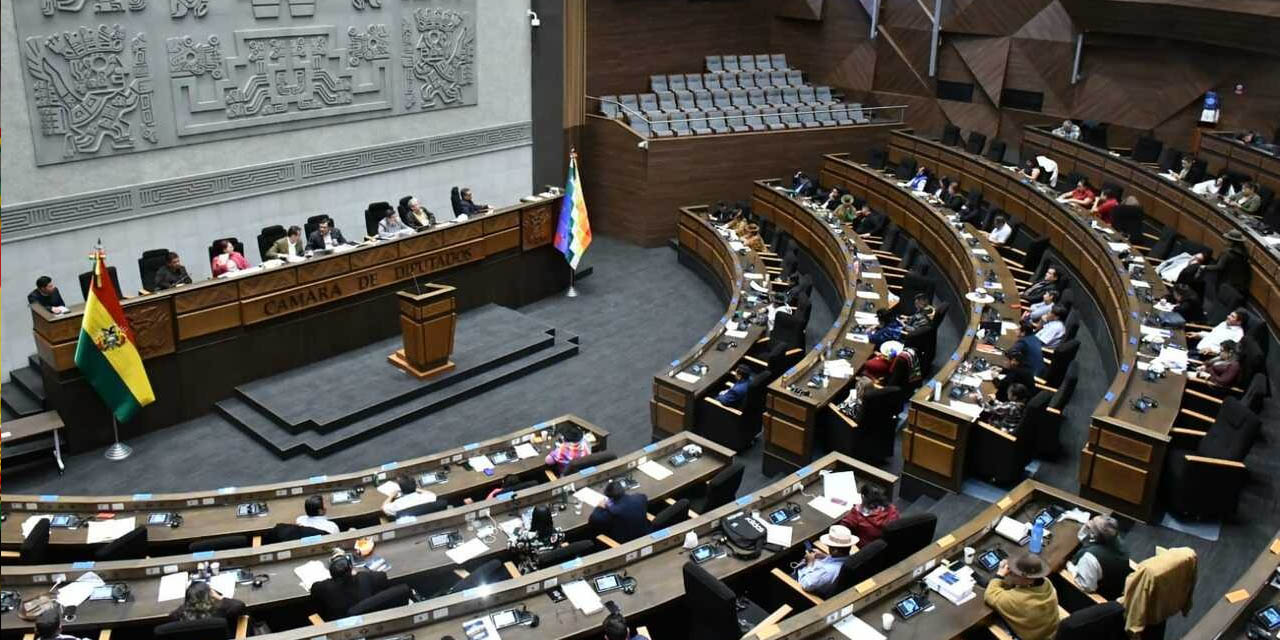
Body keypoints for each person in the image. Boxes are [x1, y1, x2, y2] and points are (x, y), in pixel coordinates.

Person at [985, 552, 1060, 640]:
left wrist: (1000, 574)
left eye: (1014, 573)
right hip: (1051, 632)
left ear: (1026, 579)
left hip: (1031, 637)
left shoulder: (1018, 599)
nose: (1010, 573)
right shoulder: (1046, 583)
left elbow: (990, 595)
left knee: (990, 620)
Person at [309, 551, 392, 621]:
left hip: (338, 622)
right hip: (367, 618)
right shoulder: (364, 577)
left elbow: (313, 589)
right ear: (351, 569)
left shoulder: (324, 587)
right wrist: (358, 574)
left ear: (331, 574)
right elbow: (383, 575)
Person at [1069, 515, 1130, 599]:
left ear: (1094, 534)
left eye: (1092, 522)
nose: (1089, 522)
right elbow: (1082, 537)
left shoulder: (1090, 558)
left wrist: (1072, 569)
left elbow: (1087, 587)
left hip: (1102, 595)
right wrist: (1088, 527)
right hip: (1117, 584)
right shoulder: (1116, 539)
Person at [794, 524, 857, 595]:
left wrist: (810, 563)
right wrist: (825, 556)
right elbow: (837, 559)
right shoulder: (852, 559)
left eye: (830, 546)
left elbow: (806, 585)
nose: (828, 547)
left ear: (835, 551)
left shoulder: (828, 571)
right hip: (819, 573)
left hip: (798, 582)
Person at [169, 581, 247, 635]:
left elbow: (172, 615)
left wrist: (189, 602)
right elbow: (239, 605)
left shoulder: (178, 615)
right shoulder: (219, 611)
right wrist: (220, 597)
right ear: (210, 595)